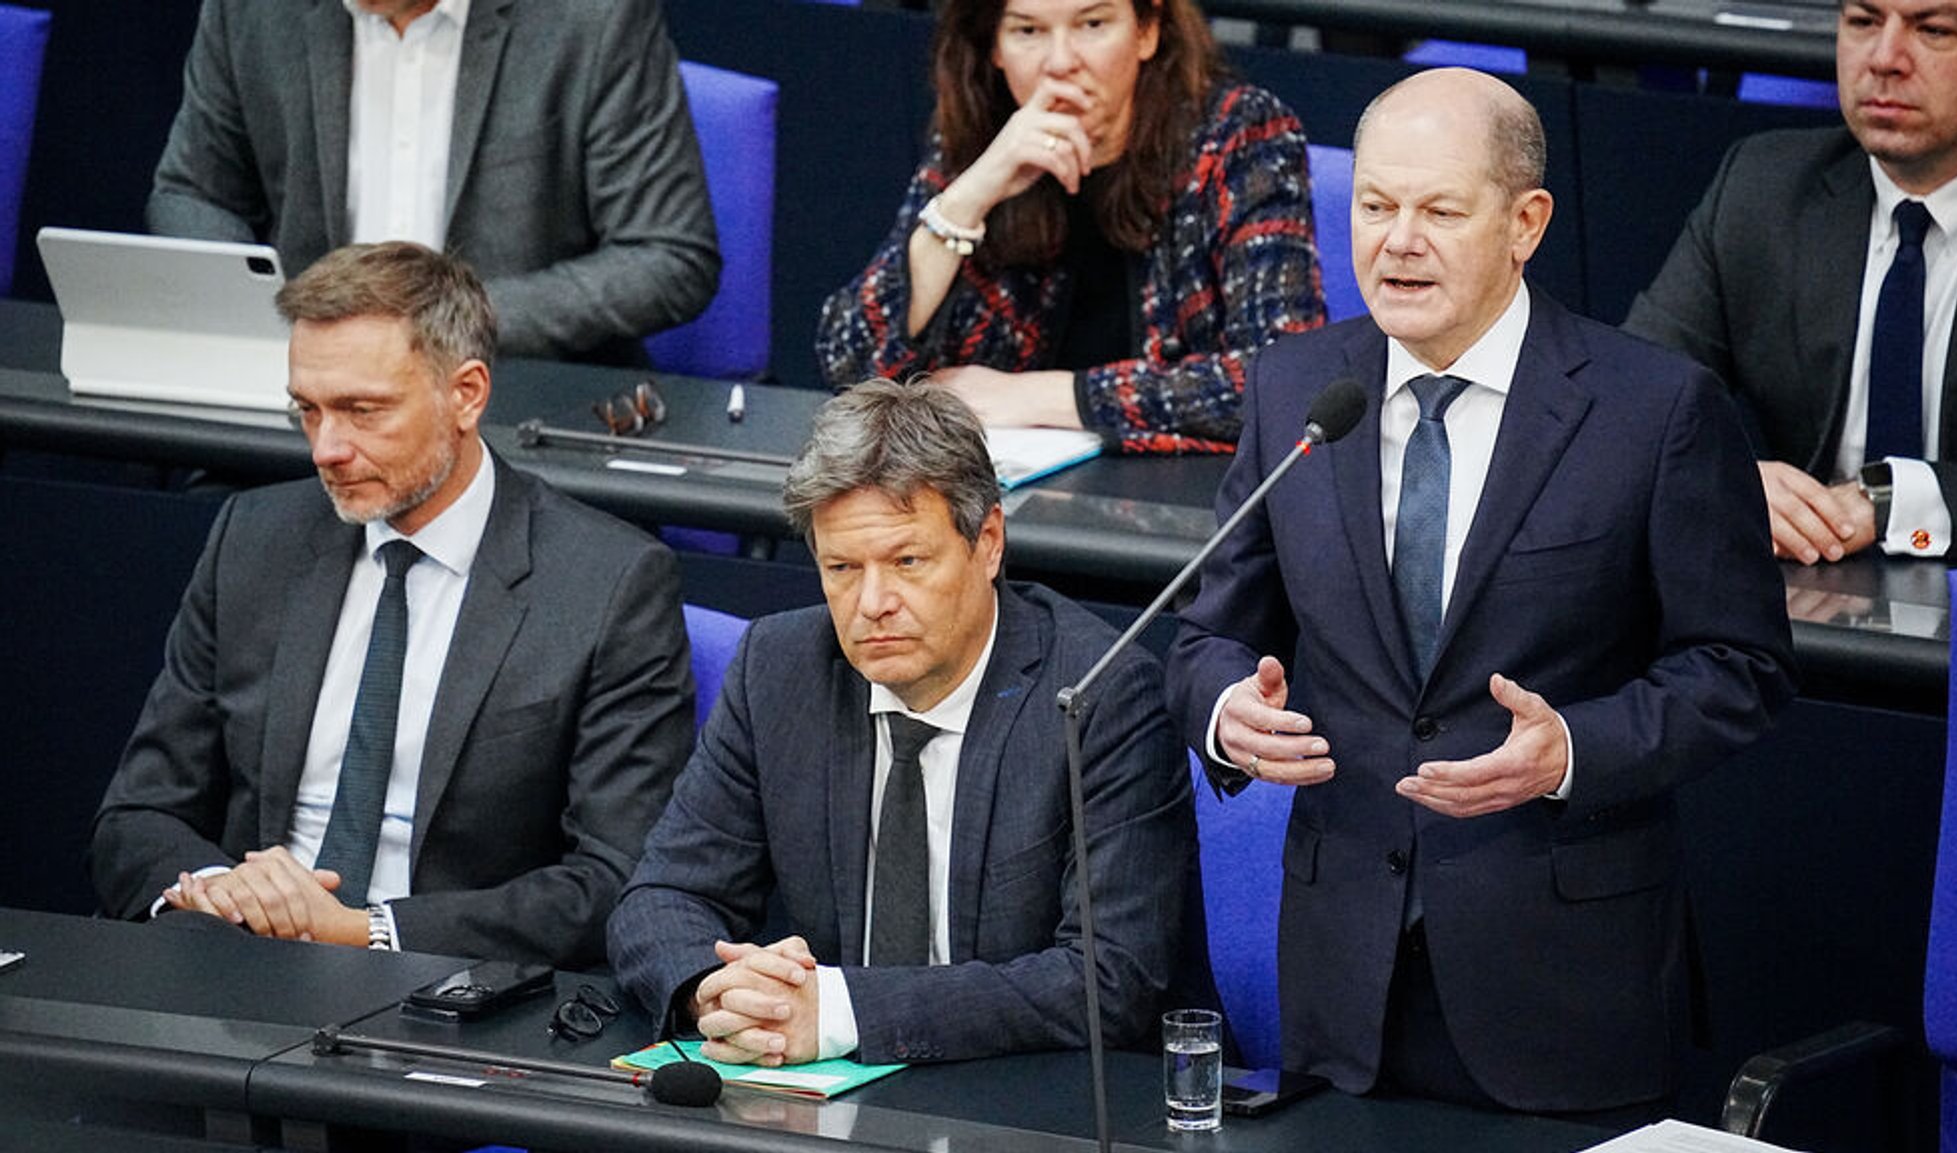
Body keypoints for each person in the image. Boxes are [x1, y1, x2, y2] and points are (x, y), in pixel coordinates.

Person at [1165, 69, 1797, 1117]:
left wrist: (1572, 750)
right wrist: (1229, 714)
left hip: (1559, 978)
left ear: (1524, 222)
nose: (1395, 239)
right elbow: (1202, 637)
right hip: (1340, 979)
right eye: (1374, 205)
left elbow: (1739, 667)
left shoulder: (1653, 410)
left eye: (1438, 210)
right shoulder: (1297, 390)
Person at [90, 242, 693, 968]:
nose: (326, 449)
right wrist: (228, 890)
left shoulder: (606, 583)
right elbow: (137, 815)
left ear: (466, 394)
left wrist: (365, 930)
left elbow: (613, 880)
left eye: (361, 410)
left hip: (444, 985)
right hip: (233, 962)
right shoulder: (252, 541)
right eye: (307, 411)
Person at [609, 378, 1194, 1065]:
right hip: (818, 1108)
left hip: (1029, 1102)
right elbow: (662, 893)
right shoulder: (778, 668)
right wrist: (719, 992)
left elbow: (1109, 979)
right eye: (842, 567)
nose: (873, 602)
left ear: (989, 543)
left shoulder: (1100, 691)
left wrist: (838, 1012)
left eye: (907, 561)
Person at [1626, 0, 1957, 565]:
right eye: (1864, 22)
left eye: (1934, 30)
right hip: (1802, 607)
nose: (1885, 59)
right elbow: (1623, 402)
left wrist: (1892, 503)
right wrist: (1717, 477)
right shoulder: (1763, 188)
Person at [814, 0, 1323, 454]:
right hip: (1003, 504)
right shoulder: (979, 136)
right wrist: (971, 195)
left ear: (1148, 30)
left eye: (1092, 23)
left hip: (1184, 511)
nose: (1060, 62)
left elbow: (1281, 380)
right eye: (1027, 31)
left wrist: (1045, 396)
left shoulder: (1240, 135)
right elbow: (850, 362)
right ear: (993, 46)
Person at [147, 0, 720, 366]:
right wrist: (263, 314)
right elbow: (191, 193)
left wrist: (446, 326)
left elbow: (667, 255)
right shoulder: (253, 11)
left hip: (509, 404)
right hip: (304, 406)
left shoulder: (592, 17)